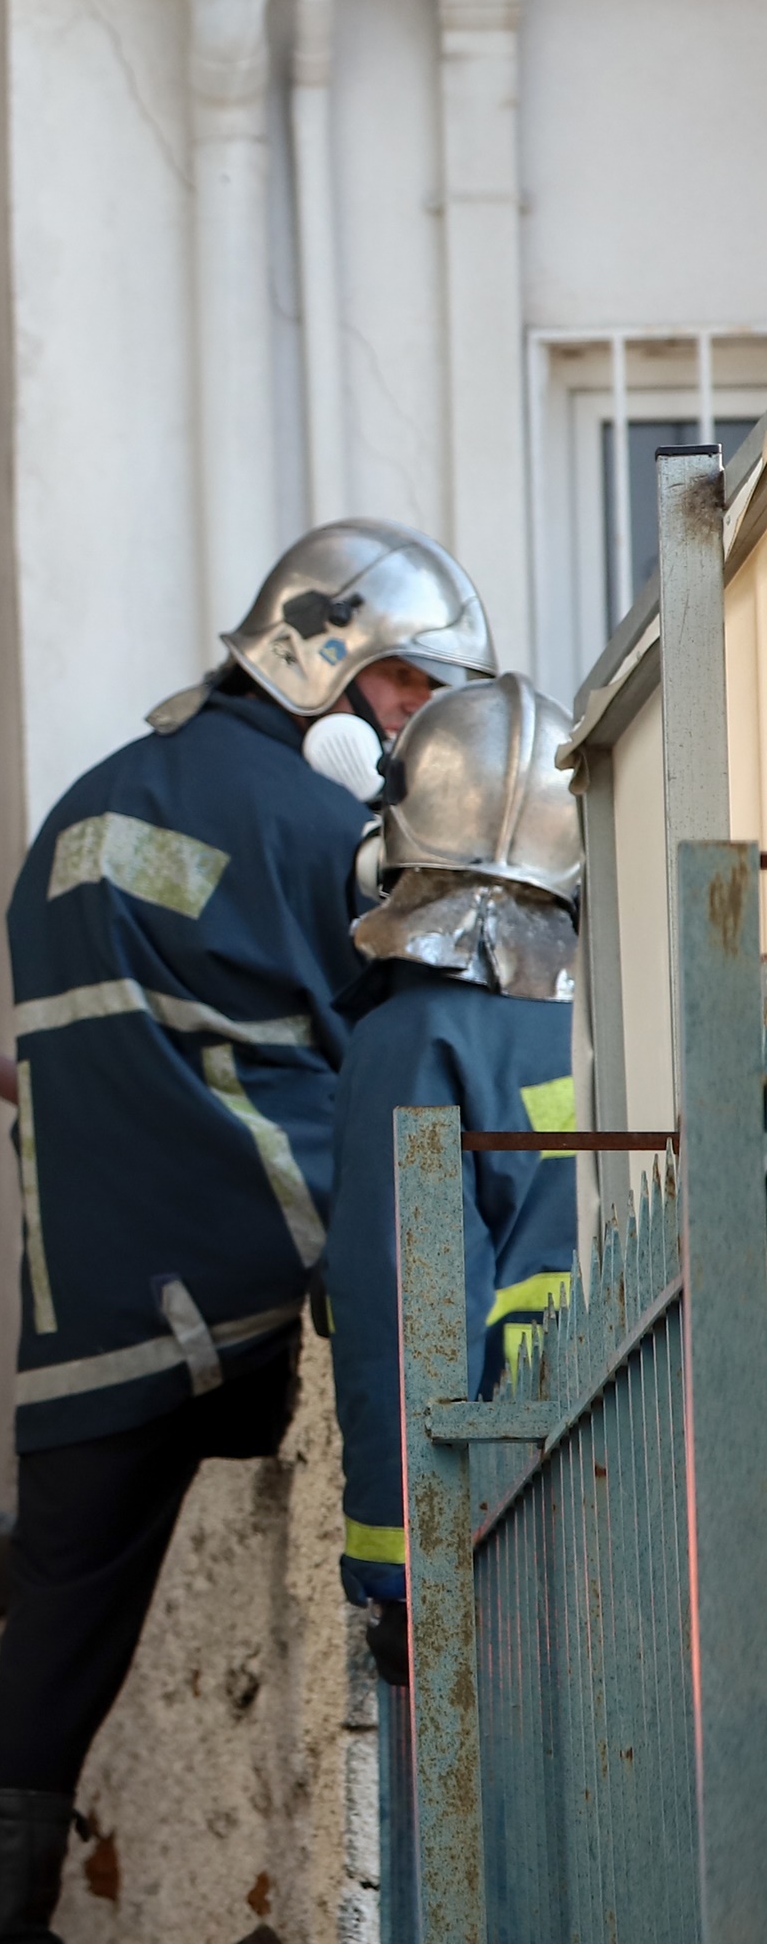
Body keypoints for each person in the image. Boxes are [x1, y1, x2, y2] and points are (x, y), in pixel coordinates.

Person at [0, 517, 495, 1944]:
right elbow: (406, 1037)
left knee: (61, 1626)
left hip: (89, 1309)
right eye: (399, 691)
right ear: (320, 663)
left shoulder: (76, 812)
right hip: (265, 1277)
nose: (408, 728)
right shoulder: (314, 831)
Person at [317, 671, 580, 1673]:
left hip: (500, 1506)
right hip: (645, 1469)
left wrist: (399, 1567)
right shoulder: (608, 1017)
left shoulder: (410, 1037)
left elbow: (403, 1304)